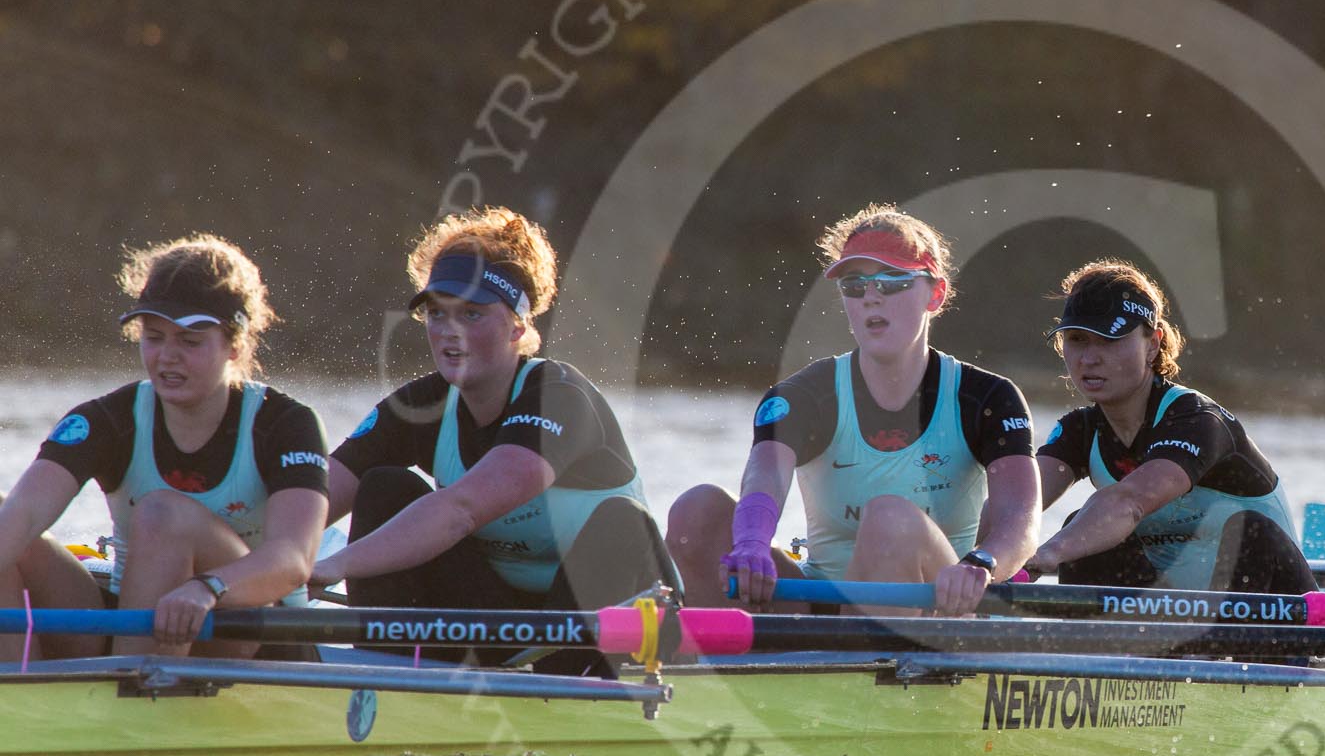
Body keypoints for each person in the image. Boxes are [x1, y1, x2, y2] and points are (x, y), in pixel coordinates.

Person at [315, 207, 674, 664]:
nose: (449, 333)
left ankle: (562, 690)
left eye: (471, 314)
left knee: (621, 521)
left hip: (605, 614)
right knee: (384, 489)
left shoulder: (559, 397)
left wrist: (330, 567)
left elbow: (460, 512)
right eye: (437, 314)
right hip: (500, 618)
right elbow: (312, 500)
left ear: (518, 326)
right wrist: (236, 565)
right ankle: (387, 679)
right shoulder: (420, 406)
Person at [665, 204, 1040, 616]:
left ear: (936, 294)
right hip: (824, 605)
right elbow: (766, 473)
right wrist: (751, 542)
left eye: (893, 280)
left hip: (936, 607)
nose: (871, 296)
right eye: (854, 284)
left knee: (889, 517)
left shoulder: (986, 398)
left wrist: (982, 563)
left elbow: (1020, 520)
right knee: (697, 509)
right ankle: (715, 668)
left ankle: (872, 662)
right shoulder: (806, 395)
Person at [0, 235, 328, 660]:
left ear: (235, 344)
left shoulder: (286, 425)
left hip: (249, 629)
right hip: (141, 619)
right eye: (154, 337)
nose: (167, 357)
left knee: (163, 516)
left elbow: (293, 559)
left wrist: (207, 587)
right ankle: (16, 700)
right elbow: (22, 517)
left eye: (189, 342)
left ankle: (132, 699)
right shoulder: (106, 421)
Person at [1027, 260, 1311, 595]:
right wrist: (978, 561)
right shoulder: (1078, 431)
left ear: (1153, 344)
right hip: (1173, 616)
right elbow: (1016, 508)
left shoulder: (1198, 420)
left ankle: (1215, 648)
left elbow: (1129, 503)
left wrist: (1048, 553)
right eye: (1077, 339)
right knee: (1081, 530)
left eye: (1109, 340)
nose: (1089, 358)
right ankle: (1119, 648)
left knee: (1247, 530)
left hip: (1273, 605)